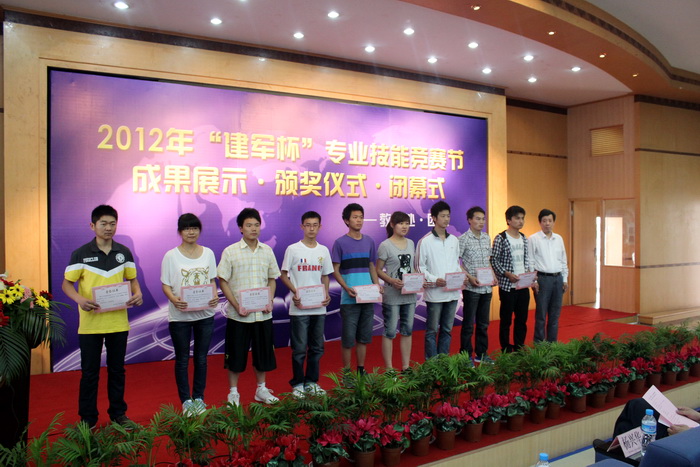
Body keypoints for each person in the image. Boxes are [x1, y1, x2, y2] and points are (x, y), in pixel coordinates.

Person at [62, 205, 143, 429]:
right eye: (103, 223)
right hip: (90, 325)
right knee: (90, 374)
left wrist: (137, 293)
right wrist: (79, 299)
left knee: (117, 371)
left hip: (118, 323)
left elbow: (132, 280)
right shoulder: (80, 253)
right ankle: (87, 419)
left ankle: (118, 414)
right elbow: (66, 285)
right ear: (93, 226)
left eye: (112, 223)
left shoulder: (124, 252)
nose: (108, 228)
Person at [217, 208, 281, 406]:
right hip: (239, 315)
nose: (254, 229)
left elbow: (272, 279)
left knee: (262, 355)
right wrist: (236, 305)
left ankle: (261, 389)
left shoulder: (267, 251)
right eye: (249, 225)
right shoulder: (230, 251)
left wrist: (270, 300)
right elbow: (223, 280)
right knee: (236, 356)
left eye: (256, 225)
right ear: (240, 228)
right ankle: (233, 393)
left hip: (262, 314)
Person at [160, 213, 219, 416]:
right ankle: (186, 401)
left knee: (201, 359)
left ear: (199, 230)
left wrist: (214, 296)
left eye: (194, 228)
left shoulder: (208, 253)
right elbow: (166, 285)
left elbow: (212, 280)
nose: (191, 232)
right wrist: (174, 299)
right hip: (180, 316)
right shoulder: (171, 256)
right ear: (180, 232)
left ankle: (199, 398)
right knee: (183, 359)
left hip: (205, 314)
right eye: (186, 228)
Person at [279, 211, 333, 398]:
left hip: (319, 306)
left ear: (320, 227)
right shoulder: (293, 249)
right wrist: (295, 292)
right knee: (300, 349)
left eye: (315, 225)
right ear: (302, 227)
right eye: (308, 225)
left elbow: (325, 276)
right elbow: (283, 274)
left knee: (317, 348)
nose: (311, 228)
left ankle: (311, 382)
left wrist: (326, 294)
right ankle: (298, 384)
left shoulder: (323, 250)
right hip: (299, 307)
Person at [332, 203, 381, 375]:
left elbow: (371, 265)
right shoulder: (340, 243)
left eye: (361, 217)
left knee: (363, 337)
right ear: (346, 220)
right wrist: (346, 288)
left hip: (368, 297)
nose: (359, 220)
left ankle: (360, 369)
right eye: (355, 217)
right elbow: (335, 270)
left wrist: (377, 285)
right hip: (349, 299)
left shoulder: (369, 241)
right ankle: (347, 373)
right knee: (348, 339)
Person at [415, 201, 462, 359]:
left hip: (452, 293)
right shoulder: (425, 241)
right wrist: (435, 280)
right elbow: (420, 267)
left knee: (447, 330)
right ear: (434, 218)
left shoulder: (454, 240)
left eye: (448, 216)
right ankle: (432, 363)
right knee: (432, 330)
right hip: (435, 294)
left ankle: (443, 361)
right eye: (442, 216)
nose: (446, 219)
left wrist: (460, 277)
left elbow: (456, 264)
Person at [491, 205, 536, 352]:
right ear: (509, 220)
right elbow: (494, 260)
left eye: (522, 218)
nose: (521, 221)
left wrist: (531, 276)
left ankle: (519, 346)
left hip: (523, 286)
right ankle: (505, 347)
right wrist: (506, 273)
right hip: (507, 286)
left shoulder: (524, 238)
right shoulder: (501, 238)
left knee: (522, 319)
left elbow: (527, 260)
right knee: (506, 320)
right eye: (517, 218)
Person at [376, 211, 417, 371]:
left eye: (407, 223)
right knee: (390, 330)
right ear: (392, 225)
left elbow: (413, 268)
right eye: (401, 223)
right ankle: (389, 369)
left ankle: (406, 367)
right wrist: (392, 281)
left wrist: (417, 280)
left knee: (407, 330)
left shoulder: (411, 243)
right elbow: (378, 270)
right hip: (392, 295)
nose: (404, 226)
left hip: (410, 294)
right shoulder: (385, 245)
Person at [458, 206, 494, 363]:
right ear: (469, 220)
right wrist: (469, 277)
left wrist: (493, 275)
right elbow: (456, 262)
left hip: (486, 288)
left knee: (483, 324)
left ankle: (482, 354)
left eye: (483, 219)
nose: (481, 222)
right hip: (472, 288)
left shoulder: (486, 237)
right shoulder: (463, 239)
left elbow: (488, 260)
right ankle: (466, 356)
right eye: (478, 219)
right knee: (468, 324)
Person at [529, 209, 569, 343]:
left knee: (555, 315)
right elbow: (530, 261)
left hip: (558, 279)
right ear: (540, 222)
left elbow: (563, 260)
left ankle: (552, 344)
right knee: (541, 315)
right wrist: (533, 281)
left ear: (554, 222)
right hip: (542, 279)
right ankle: (539, 345)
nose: (547, 223)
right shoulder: (533, 239)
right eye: (544, 221)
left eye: (550, 221)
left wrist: (565, 279)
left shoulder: (559, 238)